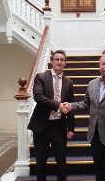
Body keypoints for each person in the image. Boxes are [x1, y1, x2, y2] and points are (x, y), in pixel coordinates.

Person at [62, 54, 105, 181]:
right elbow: (85, 103)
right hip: (95, 133)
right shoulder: (92, 84)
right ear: (99, 66)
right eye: (103, 64)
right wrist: (70, 106)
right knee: (99, 167)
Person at [28, 49, 75, 181]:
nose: (59, 62)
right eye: (56, 59)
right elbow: (38, 97)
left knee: (61, 161)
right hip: (41, 126)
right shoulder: (41, 77)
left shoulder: (69, 82)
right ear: (51, 61)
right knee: (41, 162)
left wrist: (71, 128)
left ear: (65, 63)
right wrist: (58, 105)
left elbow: (71, 106)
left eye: (62, 60)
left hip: (59, 126)